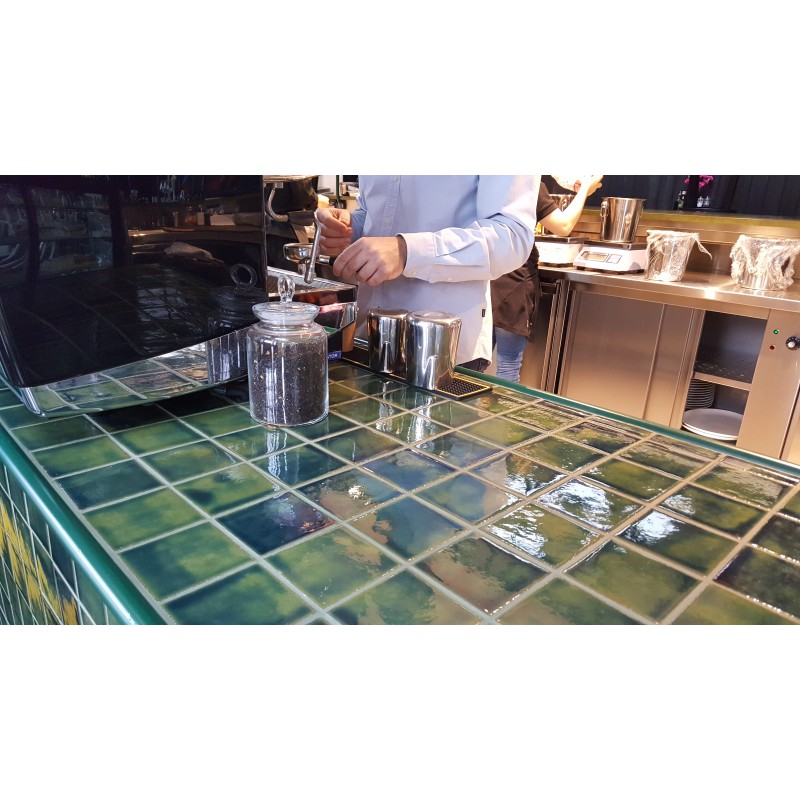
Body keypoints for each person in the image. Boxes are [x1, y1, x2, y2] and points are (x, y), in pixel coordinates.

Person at [314, 175, 540, 369]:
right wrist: (348, 228)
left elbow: (512, 236)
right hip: (368, 338)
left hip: (442, 350)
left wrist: (406, 251)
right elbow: (374, 213)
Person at [491, 175, 604, 382]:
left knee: (470, 365)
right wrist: (584, 189)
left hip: (479, 282)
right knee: (507, 368)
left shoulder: (484, 180)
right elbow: (563, 226)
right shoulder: (526, 181)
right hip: (512, 286)